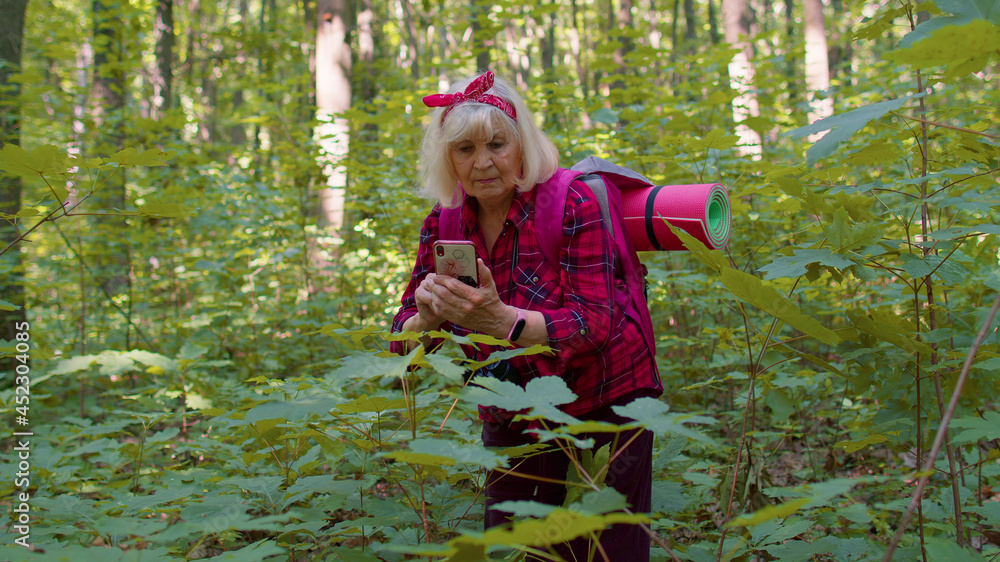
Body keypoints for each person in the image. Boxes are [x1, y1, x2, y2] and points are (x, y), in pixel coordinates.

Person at [391, 70, 663, 561]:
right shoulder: (444, 222)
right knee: (514, 546)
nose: (483, 164)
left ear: (521, 146)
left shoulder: (571, 202)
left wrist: (501, 321)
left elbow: (593, 325)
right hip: (511, 403)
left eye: (497, 144)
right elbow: (400, 343)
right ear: (447, 159)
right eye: (465, 150)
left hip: (607, 396)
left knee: (603, 549)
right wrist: (426, 320)